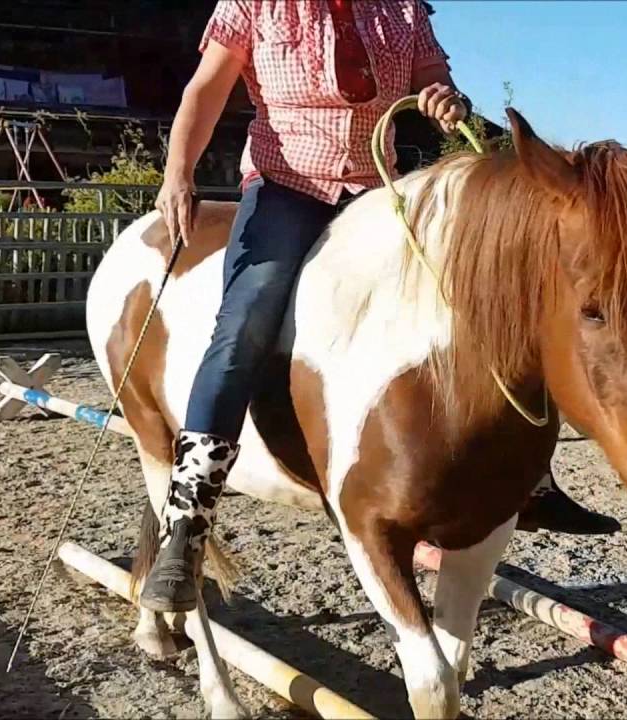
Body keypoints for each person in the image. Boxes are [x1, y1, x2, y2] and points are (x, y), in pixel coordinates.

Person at [137, 0, 471, 614]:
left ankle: (528, 478)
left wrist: (444, 99)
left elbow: (434, 77)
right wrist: (177, 173)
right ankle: (186, 523)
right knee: (245, 320)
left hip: (375, 188)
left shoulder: (401, 8)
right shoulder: (252, 5)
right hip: (286, 189)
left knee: (463, 297)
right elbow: (205, 91)